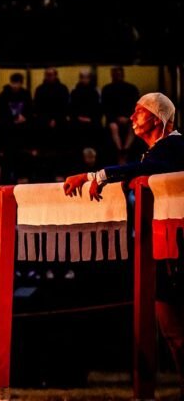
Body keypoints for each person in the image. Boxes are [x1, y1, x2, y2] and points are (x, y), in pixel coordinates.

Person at [63, 92, 183, 394]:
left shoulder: (176, 145)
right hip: (167, 246)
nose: (131, 118)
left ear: (156, 119)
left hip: (177, 246)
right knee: (171, 327)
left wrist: (96, 175)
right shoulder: (158, 152)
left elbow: (142, 169)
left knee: (175, 326)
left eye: (138, 112)